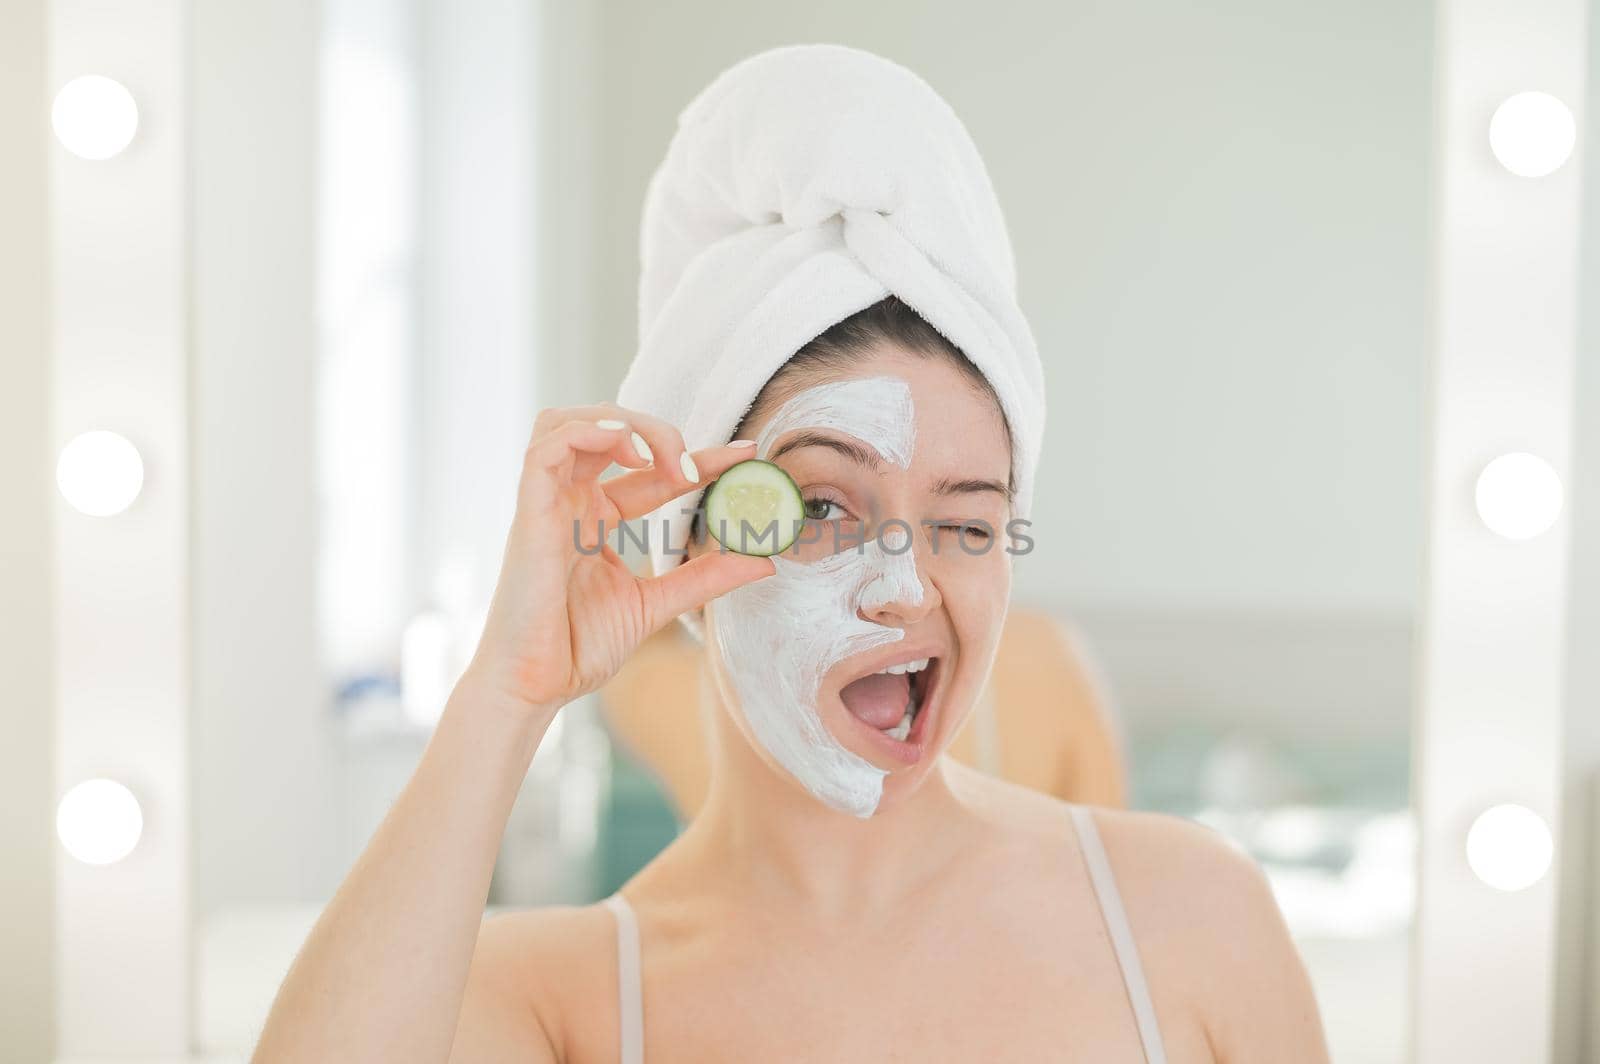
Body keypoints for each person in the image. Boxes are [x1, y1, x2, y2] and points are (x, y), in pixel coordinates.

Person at [254, 45, 1329, 1063]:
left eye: (966, 522)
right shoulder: (556, 995)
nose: (908, 585)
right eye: (821, 507)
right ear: (687, 538)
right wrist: (506, 691)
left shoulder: (1187, 917)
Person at [598, 602, 1132, 823]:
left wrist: (691, 510)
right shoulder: (1044, 661)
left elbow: (637, 613)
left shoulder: (690, 695)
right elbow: (1111, 882)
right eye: (824, 509)